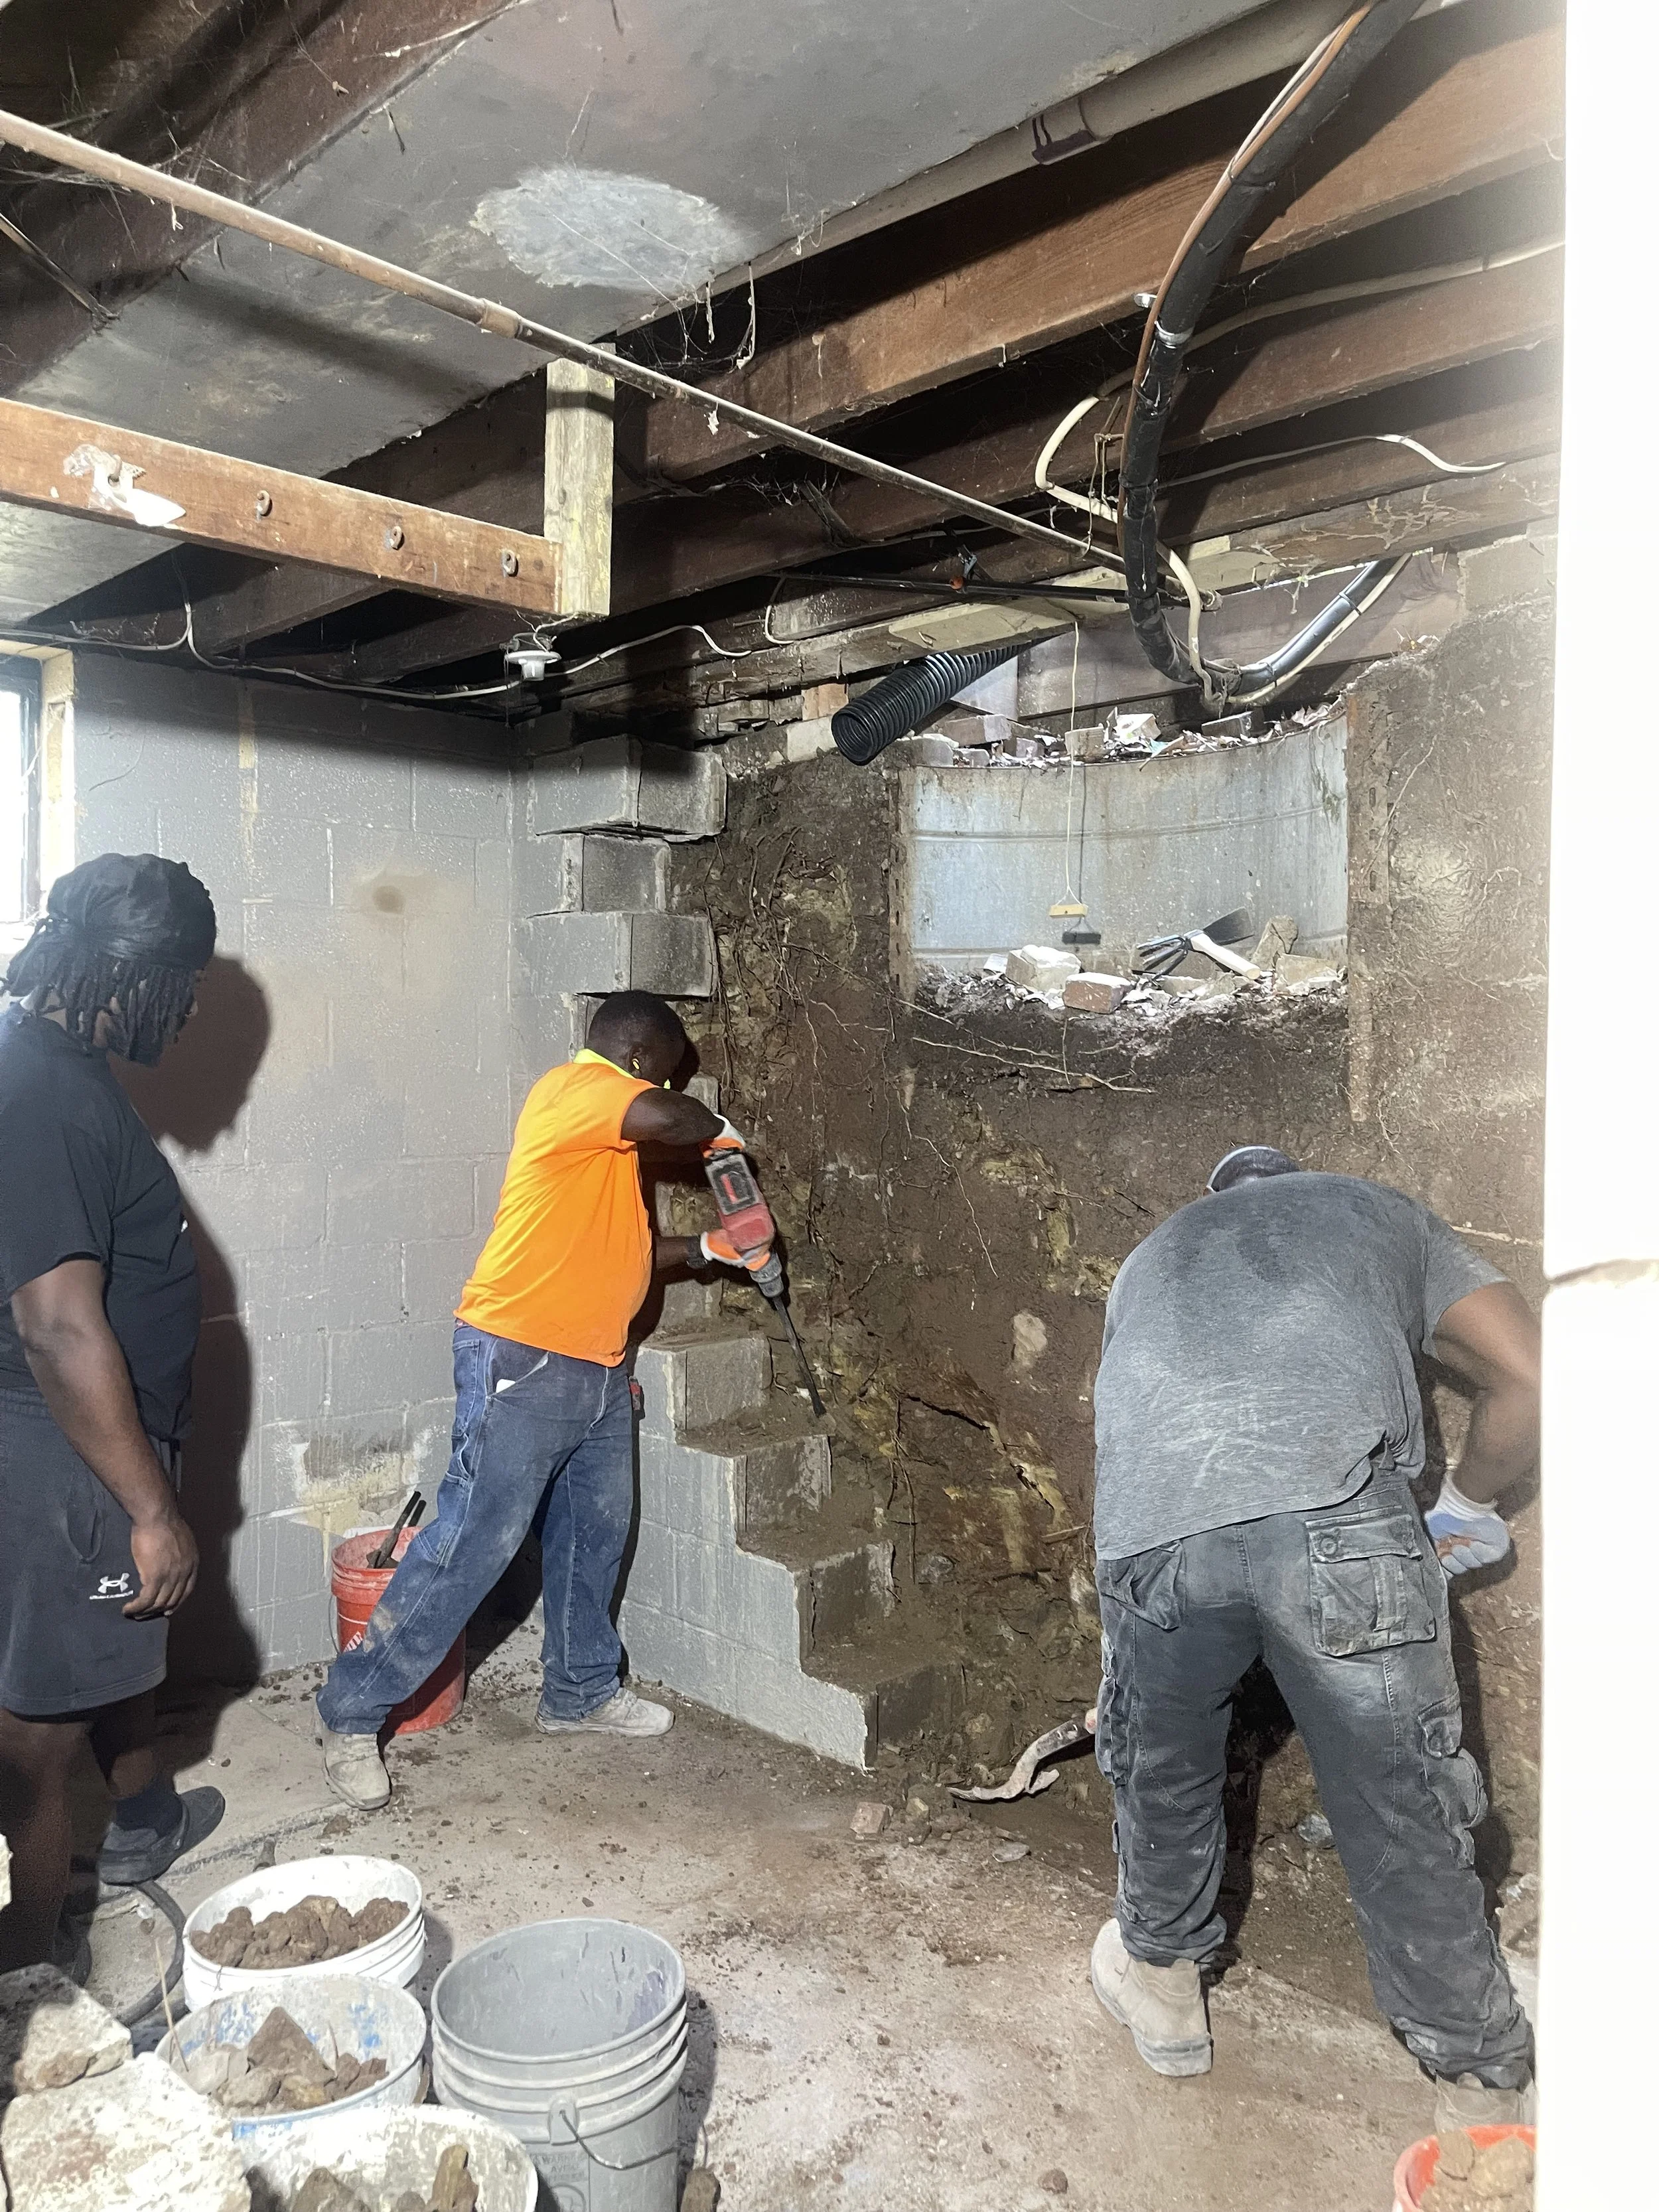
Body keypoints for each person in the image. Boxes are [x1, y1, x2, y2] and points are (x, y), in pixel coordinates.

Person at [1088, 1143, 1539, 2132]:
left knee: (1160, 1766)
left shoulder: (1149, 1254)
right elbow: (1528, 1372)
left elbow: (1133, 1419)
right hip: (1336, 1523)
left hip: (1154, 1532)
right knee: (1398, 1793)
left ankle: (1164, 1991)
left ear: (1218, 1198)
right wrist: (1464, 1502)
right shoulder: (1376, 1210)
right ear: (1295, 1180)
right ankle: (1476, 2080)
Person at [316, 990, 754, 1810]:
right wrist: (723, 1139)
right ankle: (350, 1713)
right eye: (668, 1065)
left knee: (596, 1531)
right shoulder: (577, 1088)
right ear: (639, 1057)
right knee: (472, 1541)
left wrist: (704, 1248)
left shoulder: (603, 1152)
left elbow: (620, 1253)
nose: (669, 1078)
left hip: (595, 1368)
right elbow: (678, 1121)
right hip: (521, 1356)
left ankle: (580, 1691)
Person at [0, 853, 225, 1972]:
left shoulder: (45, 1055)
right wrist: (149, 1507)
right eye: (178, 988)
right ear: (125, 972)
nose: (182, 1016)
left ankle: (144, 1819)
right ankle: (31, 1993)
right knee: (35, 1744)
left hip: (76, 1445)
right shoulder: (40, 1090)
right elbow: (57, 1325)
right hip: (73, 1461)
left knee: (113, 1634)